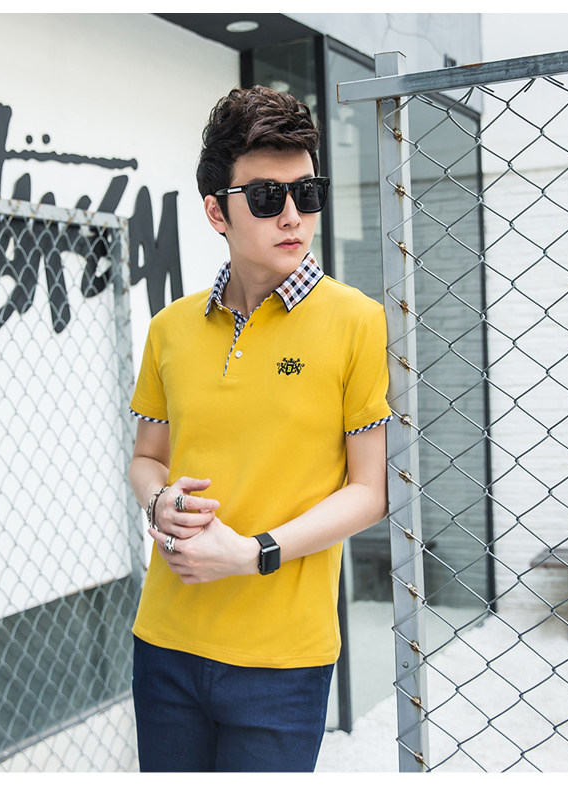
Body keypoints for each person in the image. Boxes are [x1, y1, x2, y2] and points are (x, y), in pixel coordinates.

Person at [128, 84, 392, 773]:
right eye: (269, 197)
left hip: (283, 661)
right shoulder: (170, 329)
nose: (294, 216)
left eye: (308, 193)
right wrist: (158, 503)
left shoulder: (358, 322)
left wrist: (253, 554)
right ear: (217, 210)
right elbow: (147, 457)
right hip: (165, 644)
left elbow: (370, 492)